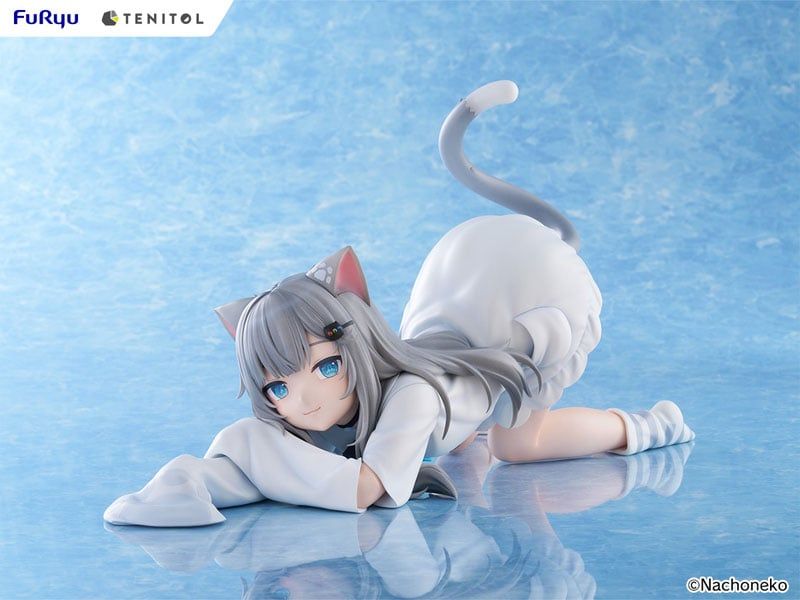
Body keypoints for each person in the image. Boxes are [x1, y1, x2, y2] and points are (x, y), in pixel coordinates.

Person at [104, 81, 694, 527]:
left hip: (531, 294)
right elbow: (300, 464)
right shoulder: (337, 407)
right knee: (463, 445)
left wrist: (249, 446)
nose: (301, 403)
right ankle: (468, 426)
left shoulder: (409, 397)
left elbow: (368, 489)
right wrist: (197, 478)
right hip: (461, 294)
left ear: (353, 340)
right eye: (278, 388)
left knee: (515, 444)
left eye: (325, 367)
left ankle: (649, 424)